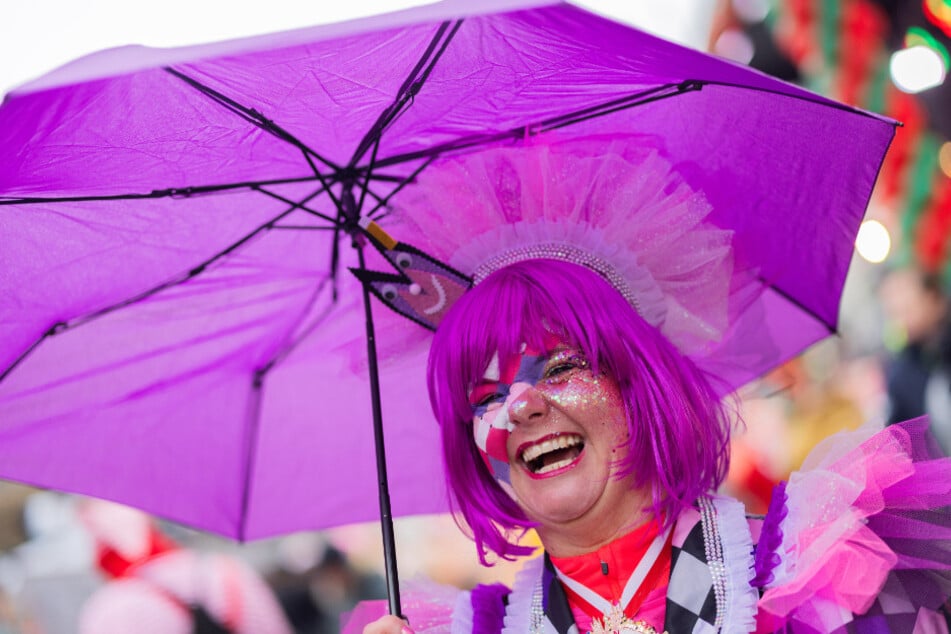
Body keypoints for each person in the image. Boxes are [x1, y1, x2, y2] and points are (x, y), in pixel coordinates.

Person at [352, 138, 951, 633]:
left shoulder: (816, 578)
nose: (523, 406)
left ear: (641, 386)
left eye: (559, 368)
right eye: (486, 397)